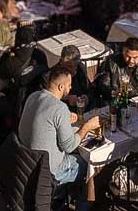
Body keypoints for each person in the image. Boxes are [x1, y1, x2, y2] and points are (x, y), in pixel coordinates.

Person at [17, 65, 101, 211]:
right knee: (90, 166)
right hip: (49, 169)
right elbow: (69, 146)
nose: (70, 89)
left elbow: (45, 121)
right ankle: (83, 206)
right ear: (61, 86)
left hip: (26, 161)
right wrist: (87, 127)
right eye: (69, 85)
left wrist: (64, 121)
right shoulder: (59, 108)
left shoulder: (33, 96)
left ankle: (60, 197)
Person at [95, 36, 138, 107]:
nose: (131, 61)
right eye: (128, 56)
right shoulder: (112, 62)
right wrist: (114, 92)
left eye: (135, 57)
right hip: (115, 101)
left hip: (136, 103)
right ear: (123, 51)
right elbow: (103, 85)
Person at [54, 44, 93, 112]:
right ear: (61, 61)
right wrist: (67, 99)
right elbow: (49, 100)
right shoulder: (52, 76)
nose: (72, 70)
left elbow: (90, 89)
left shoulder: (80, 68)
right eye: (69, 66)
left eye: (75, 66)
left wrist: (87, 97)